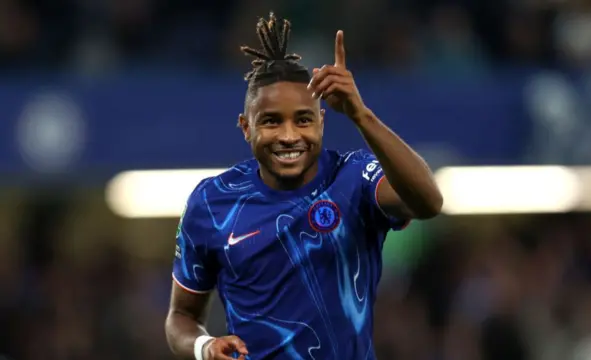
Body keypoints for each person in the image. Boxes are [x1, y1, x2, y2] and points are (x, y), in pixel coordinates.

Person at [165, 13, 443, 360]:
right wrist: (204, 347)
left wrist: (361, 115)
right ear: (245, 127)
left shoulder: (355, 177)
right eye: (270, 121)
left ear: (322, 122)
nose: (288, 135)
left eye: (303, 119)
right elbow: (181, 317)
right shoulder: (211, 203)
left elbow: (429, 202)